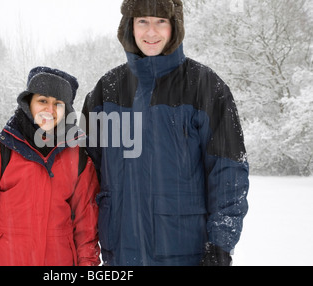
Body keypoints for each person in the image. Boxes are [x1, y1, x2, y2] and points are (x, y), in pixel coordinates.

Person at [82, 0, 249, 266]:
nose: (151, 32)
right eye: (142, 21)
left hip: (185, 252)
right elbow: (85, 176)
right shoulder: (107, 90)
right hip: (120, 254)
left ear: (175, 27)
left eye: (161, 21)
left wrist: (220, 244)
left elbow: (228, 172)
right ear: (129, 26)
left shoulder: (205, 87)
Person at [0, 67, 100, 266]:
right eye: (42, 101)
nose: (49, 110)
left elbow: (87, 226)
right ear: (28, 102)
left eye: (58, 104)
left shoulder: (78, 158)